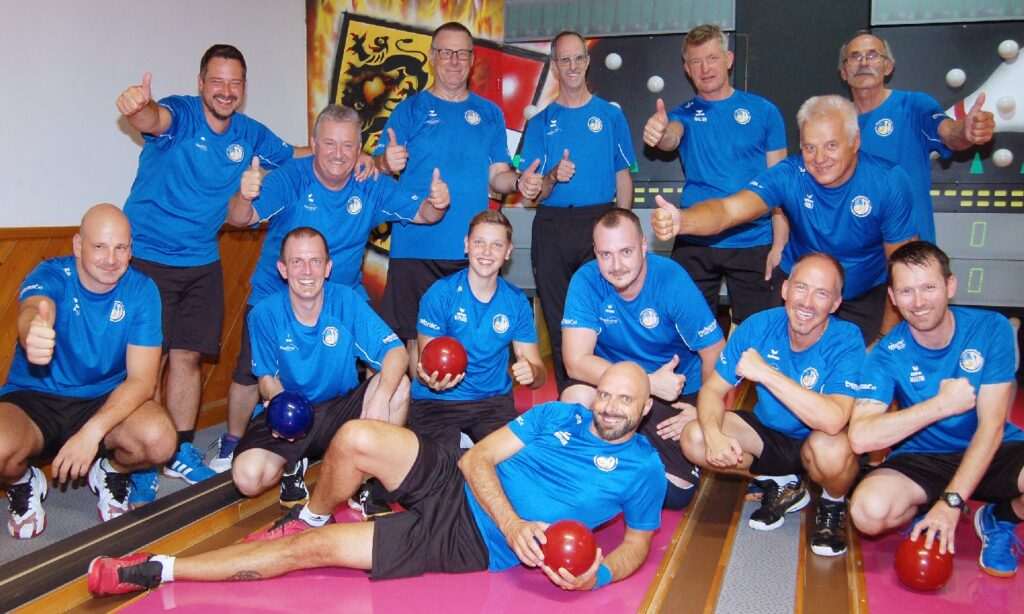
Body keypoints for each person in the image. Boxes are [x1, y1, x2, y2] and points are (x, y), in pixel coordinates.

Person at [87, 362, 666, 595]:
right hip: (459, 481)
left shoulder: (644, 471)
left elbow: (638, 543)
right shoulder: (560, 415)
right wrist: (515, 523)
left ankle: (158, 567)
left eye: (625, 401)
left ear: (644, 410)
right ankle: (313, 509)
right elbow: (476, 460)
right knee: (356, 436)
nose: (610, 407)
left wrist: (598, 574)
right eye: (606, 394)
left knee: (310, 553)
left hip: (466, 539)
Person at [211, 104, 450, 474]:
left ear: (359, 149)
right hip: (278, 293)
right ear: (313, 144)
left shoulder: (369, 181)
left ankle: (371, 444)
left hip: (343, 296)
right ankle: (232, 440)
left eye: (348, 145)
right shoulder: (292, 178)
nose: (339, 154)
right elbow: (240, 218)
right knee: (249, 371)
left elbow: (423, 214)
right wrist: (243, 196)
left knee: (379, 366)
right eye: (329, 144)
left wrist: (438, 204)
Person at [117, 44, 304, 495]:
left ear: (243, 88)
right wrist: (138, 108)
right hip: (148, 258)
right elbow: (153, 119)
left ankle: (179, 448)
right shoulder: (181, 114)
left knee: (188, 357)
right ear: (201, 83)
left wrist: (345, 154)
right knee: (152, 361)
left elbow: (297, 153)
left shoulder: (250, 133)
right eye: (217, 81)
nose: (226, 90)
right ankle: (146, 457)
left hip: (201, 260)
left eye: (234, 82)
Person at [652, 94, 919, 344]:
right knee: (769, 360)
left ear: (855, 141)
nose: (820, 158)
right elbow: (728, 210)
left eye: (831, 146)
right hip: (797, 290)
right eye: (810, 147)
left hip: (861, 294)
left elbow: (903, 269)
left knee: (863, 370)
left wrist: (885, 337)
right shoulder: (790, 174)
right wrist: (683, 220)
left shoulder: (888, 182)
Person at [849, 241, 1024, 577]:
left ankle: (1001, 517)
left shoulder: (991, 328)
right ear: (893, 297)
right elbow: (860, 438)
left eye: (928, 287)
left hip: (992, 450)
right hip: (923, 458)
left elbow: (992, 427)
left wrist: (951, 502)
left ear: (950, 286)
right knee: (868, 512)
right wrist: (939, 406)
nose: (918, 302)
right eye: (907, 291)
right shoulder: (886, 354)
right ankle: (923, 503)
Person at [1, 205, 175, 538]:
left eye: (120, 248)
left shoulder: (142, 290)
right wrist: (33, 330)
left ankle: (112, 471)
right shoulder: (51, 275)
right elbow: (35, 309)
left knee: (161, 440)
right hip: (35, 398)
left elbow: (142, 381)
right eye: (99, 246)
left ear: (131, 250)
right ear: (78, 245)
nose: (111, 259)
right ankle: (22, 481)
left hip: (104, 399)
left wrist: (91, 433)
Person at [681, 253, 864, 556]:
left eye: (821, 294)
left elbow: (834, 420)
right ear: (785, 289)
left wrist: (766, 373)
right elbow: (712, 390)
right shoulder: (759, 326)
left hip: (818, 439)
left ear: (835, 304)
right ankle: (781, 483)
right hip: (769, 435)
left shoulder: (846, 339)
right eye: (801, 288)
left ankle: (832, 503)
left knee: (832, 450)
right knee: (695, 436)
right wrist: (713, 435)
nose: (807, 302)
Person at [373, 22, 523, 376]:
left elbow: (498, 177)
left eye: (462, 53)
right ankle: (419, 407)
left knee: (466, 340)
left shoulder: (490, 113)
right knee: (415, 341)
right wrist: (385, 162)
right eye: (446, 52)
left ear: (472, 59)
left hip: (469, 251)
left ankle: (465, 408)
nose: (454, 60)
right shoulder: (409, 110)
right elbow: (378, 169)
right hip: (415, 247)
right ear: (432, 56)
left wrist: (520, 180)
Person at [229, 227, 410, 509]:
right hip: (293, 409)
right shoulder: (264, 313)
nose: (307, 271)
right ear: (283, 269)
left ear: (327, 268)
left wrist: (381, 399)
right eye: (297, 261)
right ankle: (292, 463)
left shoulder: (346, 301)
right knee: (248, 479)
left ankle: (368, 482)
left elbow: (397, 352)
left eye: (315, 261)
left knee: (398, 385)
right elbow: (265, 378)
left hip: (339, 410)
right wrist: (279, 405)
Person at [561, 209, 725, 510]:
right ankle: (616, 462)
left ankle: (610, 464)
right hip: (620, 387)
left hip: (674, 394)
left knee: (676, 493)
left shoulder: (671, 280)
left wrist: (701, 410)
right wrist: (647, 383)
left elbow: (715, 353)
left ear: (643, 246)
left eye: (626, 251)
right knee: (575, 397)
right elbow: (576, 361)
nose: (616, 265)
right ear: (595, 252)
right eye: (606, 254)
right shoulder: (585, 280)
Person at [642, 23, 787, 329]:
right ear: (687, 69)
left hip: (753, 240)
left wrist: (779, 246)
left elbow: (780, 187)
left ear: (728, 59)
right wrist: (660, 133)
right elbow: (671, 137)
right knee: (687, 329)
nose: (705, 68)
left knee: (757, 333)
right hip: (695, 239)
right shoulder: (682, 114)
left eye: (712, 58)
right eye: (696, 61)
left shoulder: (764, 111)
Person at [517, 30, 636, 392]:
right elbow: (533, 193)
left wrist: (625, 230)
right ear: (554, 66)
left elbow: (623, 176)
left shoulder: (610, 116)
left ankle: (614, 396)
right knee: (559, 321)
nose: (572, 66)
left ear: (587, 61)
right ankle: (571, 398)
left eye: (578, 58)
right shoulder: (539, 123)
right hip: (552, 227)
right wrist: (553, 175)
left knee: (606, 316)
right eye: (564, 59)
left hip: (599, 226)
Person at [839, 33, 996, 243]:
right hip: (856, 248)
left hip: (910, 248)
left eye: (873, 55)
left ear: (888, 66)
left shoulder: (913, 105)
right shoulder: (834, 120)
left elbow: (950, 134)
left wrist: (966, 131)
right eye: (855, 57)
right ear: (843, 72)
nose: (864, 63)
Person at [411, 209, 546, 450]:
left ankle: (471, 444)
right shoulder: (441, 293)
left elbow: (539, 375)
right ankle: (461, 445)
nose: (486, 252)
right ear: (467, 245)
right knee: (441, 467)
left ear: (508, 251)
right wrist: (430, 378)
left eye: (497, 245)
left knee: (517, 462)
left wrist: (533, 372)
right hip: (437, 402)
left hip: (492, 404)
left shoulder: (516, 302)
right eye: (479, 242)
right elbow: (426, 363)